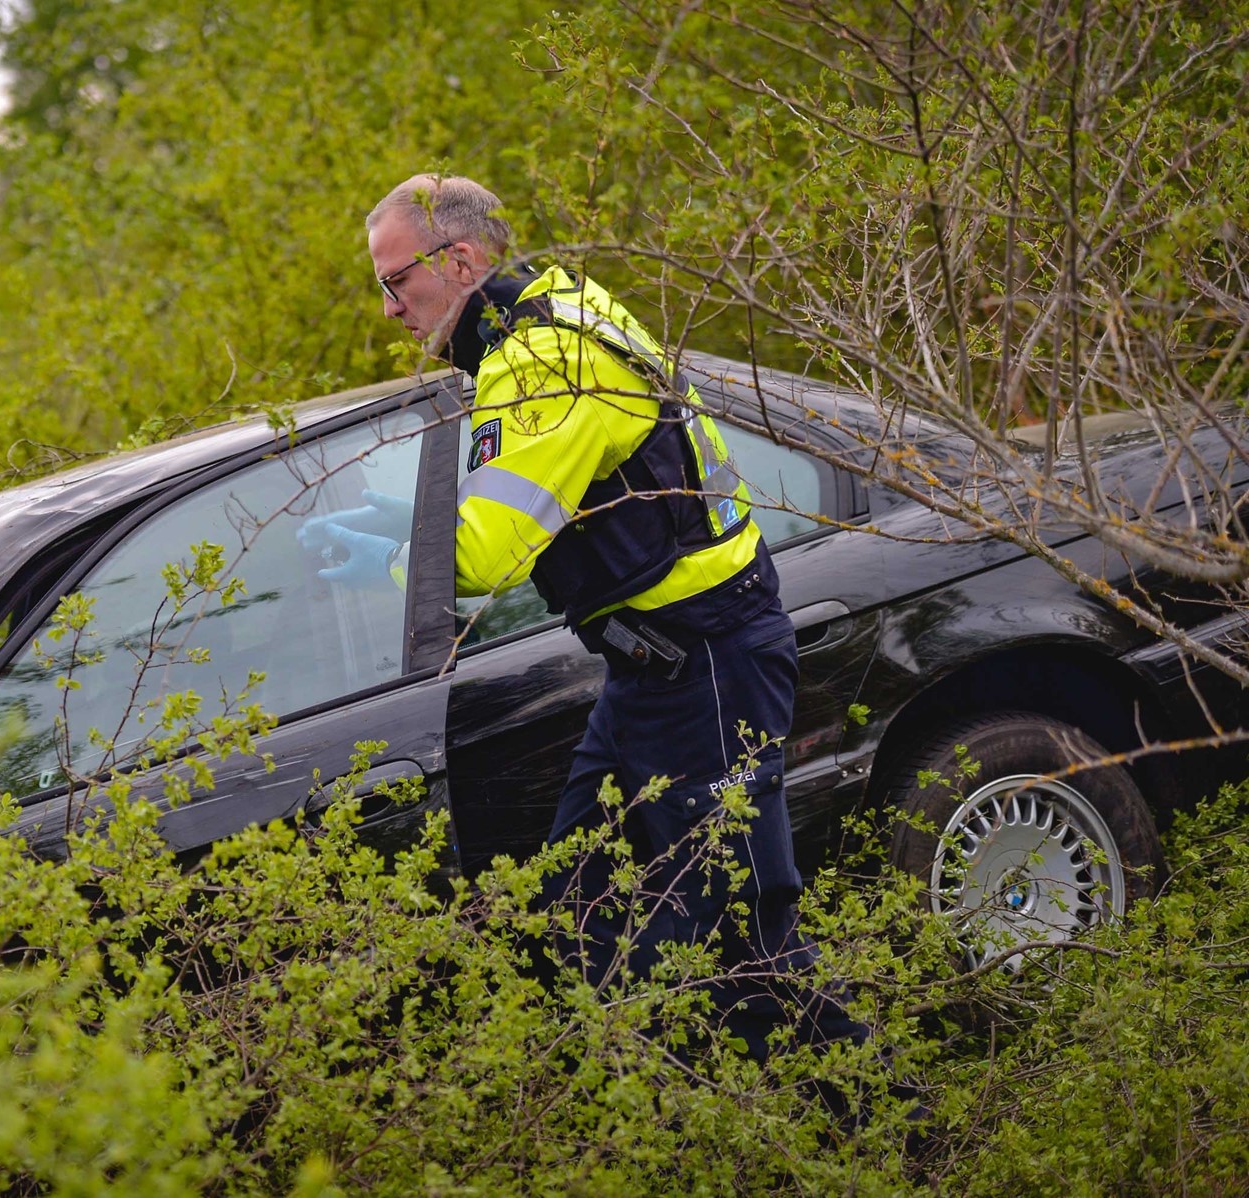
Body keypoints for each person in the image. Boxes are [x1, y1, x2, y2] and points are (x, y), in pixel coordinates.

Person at [309, 173, 863, 1058]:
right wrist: (399, 518)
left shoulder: (539, 361)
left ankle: (887, 1132)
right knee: (580, 910)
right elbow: (556, 485)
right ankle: (641, 1116)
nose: (388, 311)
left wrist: (385, 562)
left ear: (458, 261)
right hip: (658, 669)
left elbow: (487, 556)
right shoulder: (561, 304)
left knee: (746, 952)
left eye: (393, 282)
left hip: (707, 666)